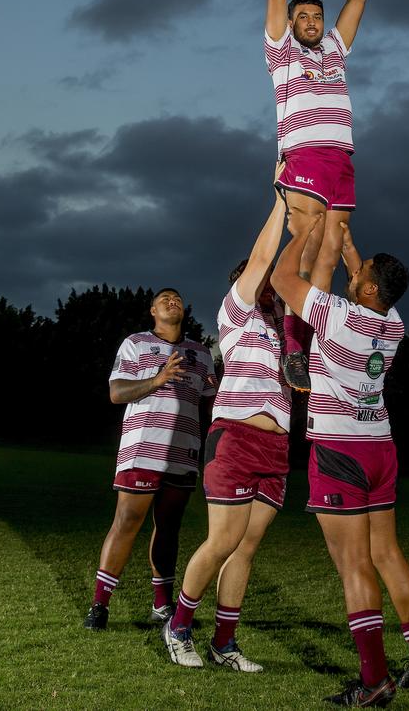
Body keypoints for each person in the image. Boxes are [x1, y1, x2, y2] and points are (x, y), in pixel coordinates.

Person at [271, 220, 409, 706]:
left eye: (361, 269)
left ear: (367, 287)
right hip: (379, 448)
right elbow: (365, 278)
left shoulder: (337, 316)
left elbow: (284, 281)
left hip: (340, 450)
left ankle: (374, 680)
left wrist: (305, 233)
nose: (356, 268)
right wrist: (348, 248)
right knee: (388, 554)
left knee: (354, 565)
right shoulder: (393, 325)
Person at [162, 175, 291, 673]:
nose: (268, 290)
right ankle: (178, 628)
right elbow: (263, 260)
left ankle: (225, 643)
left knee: (247, 547)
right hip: (235, 437)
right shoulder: (236, 312)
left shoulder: (284, 335)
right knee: (221, 541)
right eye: (262, 284)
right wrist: (282, 202)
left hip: (275, 450)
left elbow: (297, 272)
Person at [265, 0, 366, 391]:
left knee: (329, 253)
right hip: (303, 155)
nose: (310, 20)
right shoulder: (280, 49)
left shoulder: (333, 50)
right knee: (304, 247)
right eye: (302, 15)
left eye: (315, 15)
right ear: (290, 21)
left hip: (341, 157)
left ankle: (313, 338)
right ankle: (293, 348)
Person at [84, 288, 217, 631]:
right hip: (143, 449)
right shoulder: (136, 343)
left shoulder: (201, 354)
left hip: (184, 451)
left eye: (177, 298)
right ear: (152, 310)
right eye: (164, 299)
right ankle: (100, 605)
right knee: (127, 522)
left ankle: (162, 606)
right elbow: (117, 393)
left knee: (169, 528)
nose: (172, 301)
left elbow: (210, 406)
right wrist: (158, 379)